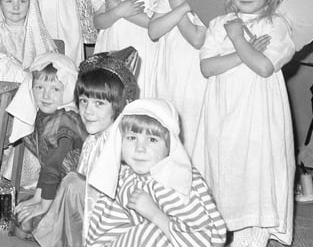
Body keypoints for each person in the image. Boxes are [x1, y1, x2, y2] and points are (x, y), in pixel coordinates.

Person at [194, 0, 296, 247]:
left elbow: (264, 67)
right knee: (225, 167)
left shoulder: (276, 25)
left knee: (255, 169)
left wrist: (238, 40)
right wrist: (244, 52)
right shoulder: (219, 24)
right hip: (223, 113)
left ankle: (251, 237)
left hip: (258, 117)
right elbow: (207, 66)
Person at [34, 47, 141, 247]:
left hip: (118, 228)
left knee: (73, 184)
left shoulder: (123, 146)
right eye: (83, 101)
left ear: (119, 105)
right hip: (91, 220)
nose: (88, 111)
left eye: (99, 104)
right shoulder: (93, 139)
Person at [85, 98, 227, 246]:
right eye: (132, 138)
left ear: (170, 145)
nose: (140, 148)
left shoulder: (177, 180)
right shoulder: (124, 180)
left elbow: (207, 240)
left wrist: (155, 215)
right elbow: (102, 235)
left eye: (152, 140)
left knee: (148, 234)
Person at [148, 0, 221, 155]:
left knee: (191, 135)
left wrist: (182, 4)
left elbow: (197, 39)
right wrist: (181, 5)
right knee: (164, 130)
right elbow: (153, 30)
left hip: (194, 81)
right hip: (168, 74)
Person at [6, 53, 88, 239]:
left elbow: (53, 165)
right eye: (39, 87)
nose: (45, 95)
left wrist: (42, 202)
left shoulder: (65, 120)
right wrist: (38, 196)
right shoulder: (46, 115)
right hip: (57, 182)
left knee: (26, 226)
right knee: (21, 217)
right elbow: (47, 165)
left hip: (77, 191)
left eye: (55, 89)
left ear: (67, 89)